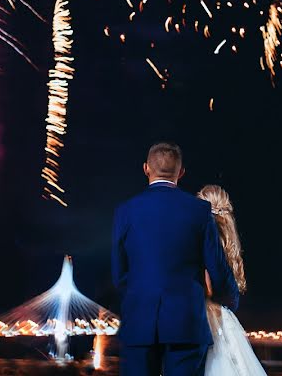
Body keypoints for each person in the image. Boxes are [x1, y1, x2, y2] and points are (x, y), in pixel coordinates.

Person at [112, 142, 240, 376]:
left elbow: (119, 273)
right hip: (186, 324)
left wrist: (138, 298)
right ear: (181, 172)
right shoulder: (200, 211)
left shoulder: (125, 211)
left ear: (145, 169)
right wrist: (230, 299)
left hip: (139, 322)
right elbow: (217, 268)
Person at [197, 185, 266, 376]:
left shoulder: (206, 236)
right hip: (225, 316)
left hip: (206, 315)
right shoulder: (229, 238)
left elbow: (209, 285)